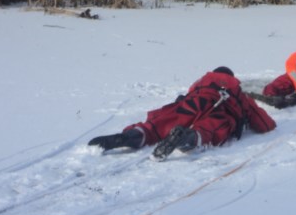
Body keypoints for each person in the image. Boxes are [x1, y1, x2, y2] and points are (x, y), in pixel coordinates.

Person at [88, 67, 276, 161]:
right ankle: (189, 138)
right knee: (210, 129)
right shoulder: (237, 90)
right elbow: (265, 124)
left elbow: (187, 95)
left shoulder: (201, 83)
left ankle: (131, 136)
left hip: (192, 102)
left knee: (157, 125)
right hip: (221, 109)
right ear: (232, 78)